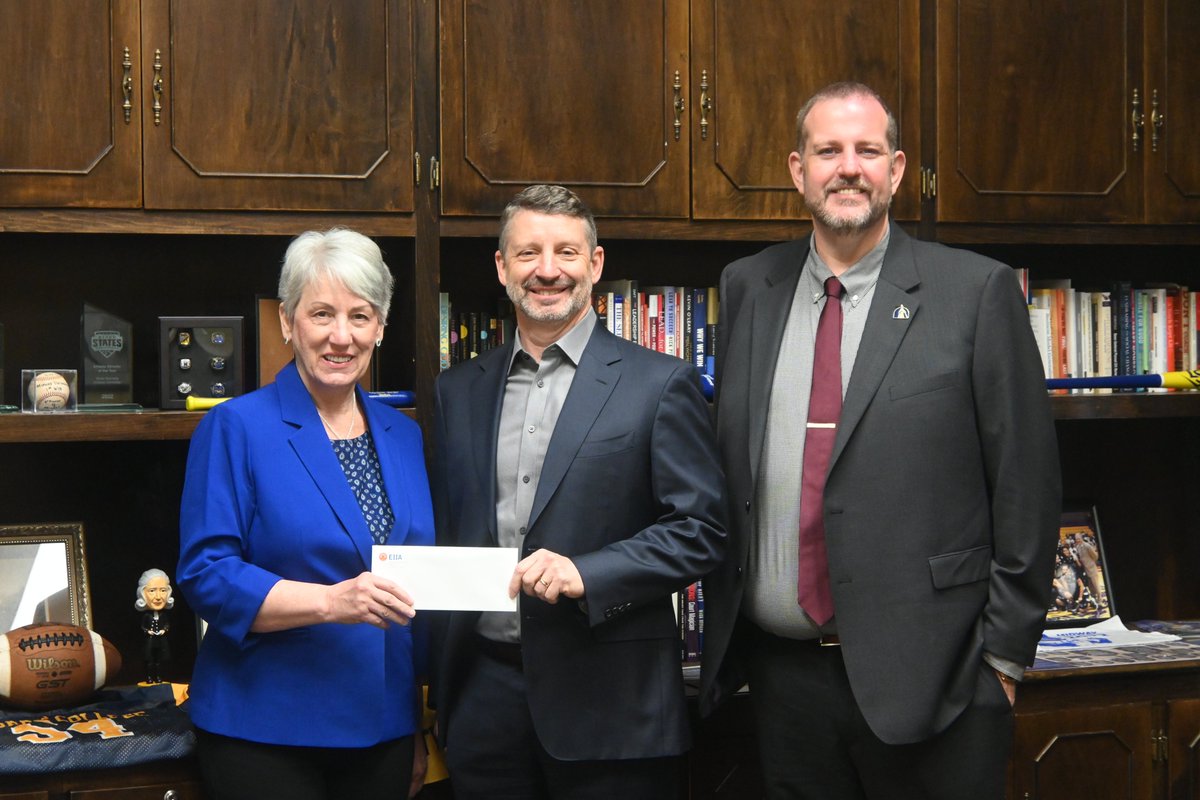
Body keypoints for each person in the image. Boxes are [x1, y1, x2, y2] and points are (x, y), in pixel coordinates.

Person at [698, 82, 1062, 800]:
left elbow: (1027, 483)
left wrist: (1003, 664)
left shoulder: (974, 293)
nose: (848, 167)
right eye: (828, 150)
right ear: (798, 170)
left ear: (895, 171)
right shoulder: (747, 287)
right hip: (783, 682)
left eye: (867, 150)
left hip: (938, 684)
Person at [429, 184, 727, 799]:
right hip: (484, 704)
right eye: (528, 252)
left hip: (613, 706)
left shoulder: (660, 383)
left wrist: (587, 573)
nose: (546, 270)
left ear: (594, 264)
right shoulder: (457, 391)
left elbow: (702, 531)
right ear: (502, 267)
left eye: (566, 252)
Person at [177, 228, 434, 800]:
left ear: (382, 328)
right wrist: (330, 602)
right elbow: (207, 575)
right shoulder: (235, 428)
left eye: (360, 316)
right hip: (266, 731)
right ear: (288, 323)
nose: (341, 336)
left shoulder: (404, 436)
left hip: (384, 729)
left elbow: (412, 580)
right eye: (322, 314)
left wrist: (416, 724)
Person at [135, 568, 174, 684]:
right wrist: (148, 631)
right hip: (150, 641)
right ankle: (149, 678)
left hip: (160, 641)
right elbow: (143, 626)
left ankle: (158, 677)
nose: (158, 596)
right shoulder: (146, 616)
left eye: (163, 590)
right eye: (152, 591)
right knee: (149, 661)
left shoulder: (163, 615)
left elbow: (167, 624)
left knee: (159, 660)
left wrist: (164, 630)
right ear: (142, 592)